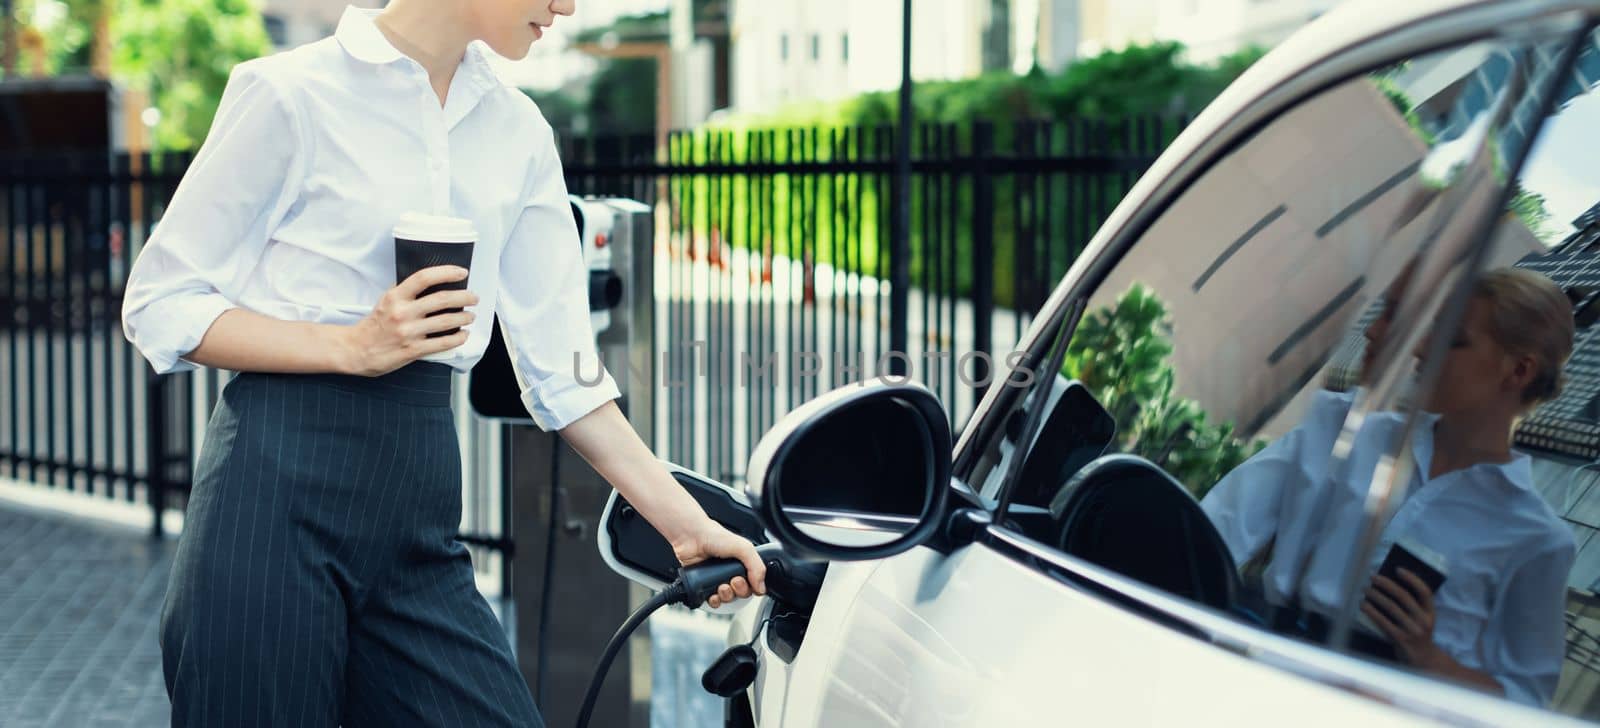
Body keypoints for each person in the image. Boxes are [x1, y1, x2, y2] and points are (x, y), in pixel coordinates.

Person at [119, 2, 765, 725]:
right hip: (273, 499)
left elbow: (566, 373)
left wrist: (684, 524)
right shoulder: (289, 93)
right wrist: (349, 347)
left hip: (417, 513)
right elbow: (159, 301)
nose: (569, 5)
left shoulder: (518, 131)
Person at [1201, 266, 1578, 707]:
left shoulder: (1538, 539)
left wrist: (1429, 657)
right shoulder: (1347, 432)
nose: (1421, 347)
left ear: (1517, 372)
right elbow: (1215, 530)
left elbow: (1524, 704)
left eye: (1450, 337)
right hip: (1254, 681)